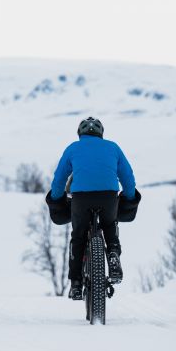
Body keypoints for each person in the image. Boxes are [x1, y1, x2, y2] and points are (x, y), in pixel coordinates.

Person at [50, 117, 136, 300]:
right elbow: (127, 176)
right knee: (110, 226)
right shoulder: (113, 147)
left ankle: (76, 283)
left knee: (78, 236)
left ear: (80, 133)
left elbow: (59, 178)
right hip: (108, 197)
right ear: (101, 133)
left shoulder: (73, 148)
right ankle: (113, 253)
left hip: (81, 198)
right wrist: (129, 197)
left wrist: (57, 198)